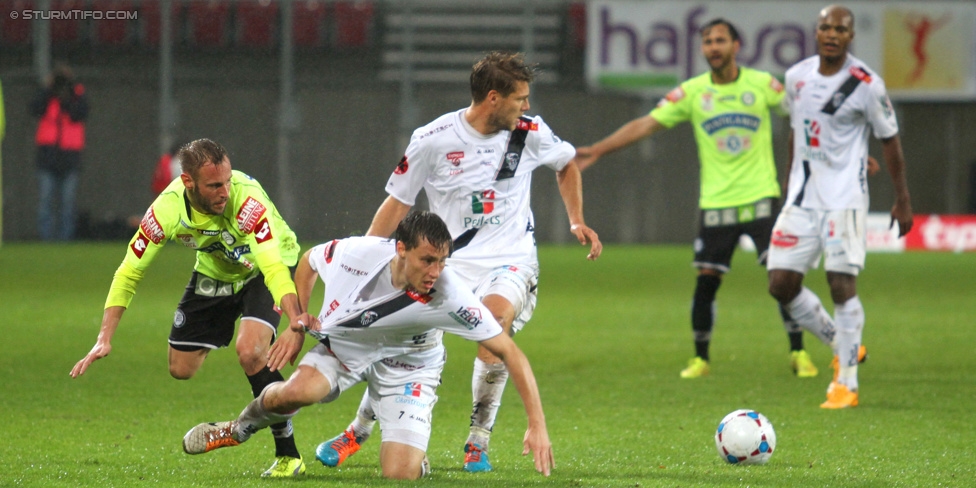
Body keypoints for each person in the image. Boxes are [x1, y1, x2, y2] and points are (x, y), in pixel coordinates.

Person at [314, 51, 601, 473]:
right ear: (491, 98)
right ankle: (357, 431)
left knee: (493, 325)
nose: (526, 106)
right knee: (402, 338)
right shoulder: (433, 139)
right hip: (446, 263)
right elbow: (398, 203)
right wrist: (366, 263)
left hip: (511, 260)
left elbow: (566, 164)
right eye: (519, 98)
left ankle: (477, 440)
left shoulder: (529, 131)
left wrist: (577, 220)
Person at [181, 212, 555, 480]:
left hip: (410, 365)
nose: (435, 272)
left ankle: (413, 456)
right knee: (298, 392)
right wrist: (297, 322)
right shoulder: (356, 254)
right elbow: (308, 263)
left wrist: (536, 424)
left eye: (442, 262)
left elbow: (511, 353)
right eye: (427, 260)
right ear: (401, 249)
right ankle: (237, 428)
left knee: (400, 474)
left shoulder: (451, 294)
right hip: (349, 346)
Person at [572, 19, 817, 379]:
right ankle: (700, 359)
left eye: (720, 40)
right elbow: (647, 123)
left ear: (736, 45)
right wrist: (599, 149)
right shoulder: (692, 92)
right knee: (706, 281)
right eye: (707, 41)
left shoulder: (763, 85)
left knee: (783, 278)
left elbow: (804, 116)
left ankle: (799, 353)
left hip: (762, 199)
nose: (713, 47)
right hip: (716, 203)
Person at [69, 139, 312, 476]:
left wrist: (295, 317)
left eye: (227, 181)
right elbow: (129, 271)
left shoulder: (247, 202)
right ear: (188, 182)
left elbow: (271, 265)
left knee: (251, 351)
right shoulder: (166, 210)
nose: (225, 191)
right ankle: (271, 403)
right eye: (214, 185)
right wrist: (104, 337)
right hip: (216, 272)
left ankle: (283, 450)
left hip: (265, 268)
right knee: (180, 368)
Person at [767, 5, 913, 409]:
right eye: (825, 27)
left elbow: (890, 141)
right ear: (816, 32)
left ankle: (845, 382)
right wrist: (788, 179)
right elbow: (799, 131)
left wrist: (902, 199)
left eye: (840, 29)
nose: (831, 34)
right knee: (780, 284)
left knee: (840, 283)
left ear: (850, 36)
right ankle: (841, 342)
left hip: (845, 199)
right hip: (802, 197)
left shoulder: (867, 84)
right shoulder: (797, 77)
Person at [30, 63, 89, 241]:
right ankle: (46, 238)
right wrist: (48, 90)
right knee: (45, 201)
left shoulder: (77, 94)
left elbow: (80, 113)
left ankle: (65, 239)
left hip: (70, 157)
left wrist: (69, 93)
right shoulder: (47, 95)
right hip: (48, 156)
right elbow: (35, 108)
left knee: (67, 203)